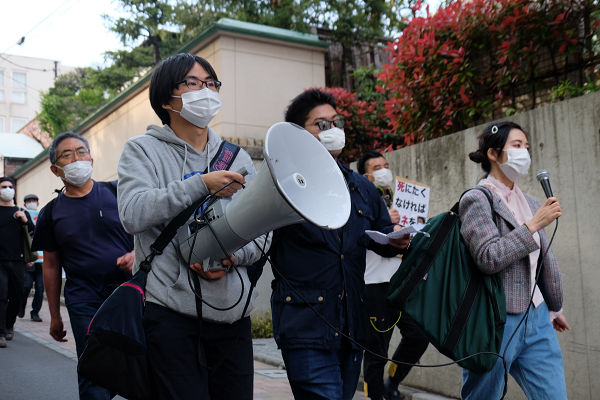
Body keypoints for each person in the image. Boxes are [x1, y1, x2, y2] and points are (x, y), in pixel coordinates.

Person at [117, 53, 270, 400]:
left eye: (212, 83)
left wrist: (233, 258)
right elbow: (132, 213)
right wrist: (200, 184)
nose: (207, 91)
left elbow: (264, 227)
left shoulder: (237, 157)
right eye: (193, 83)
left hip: (233, 315)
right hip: (169, 313)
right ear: (166, 99)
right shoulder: (141, 150)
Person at [269, 89, 410, 400]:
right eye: (321, 124)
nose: (332, 130)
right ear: (298, 134)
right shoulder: (282, 184)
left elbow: (381, 235)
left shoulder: (362, 188)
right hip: (305, 325)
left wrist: (397, 239)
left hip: (351, 327)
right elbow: (257, 241)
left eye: (336, 122)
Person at [460, 121, 569, 399]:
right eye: (517, 146)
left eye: (527, 147)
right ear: (493, 154)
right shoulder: (477, 199)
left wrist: (553, 307)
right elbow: (488, 257)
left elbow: (538, 261)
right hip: (495, 320)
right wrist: (532, 226)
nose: (525, 153)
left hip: (538, 317)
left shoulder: (531, 202)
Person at [31, 132, 134, 399]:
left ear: (91, 159)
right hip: (83, 299)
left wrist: (136, 253)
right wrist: (55, 315)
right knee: (93, 368)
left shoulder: (119, 192)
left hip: (130, 295)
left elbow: (150, 233)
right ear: (55, 169)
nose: (77, 159)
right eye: (67, 155)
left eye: (81, 151)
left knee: (136, 365)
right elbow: (51, 266)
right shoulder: (51, 213)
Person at [357, 151, 429, 400]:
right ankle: (375, 395)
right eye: (377, 167)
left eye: (386, 165)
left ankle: (393, 382)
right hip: (374, 283)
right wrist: (384, 221)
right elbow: (357, 233)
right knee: (377, 348)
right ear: (365, 176)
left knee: (419, 335)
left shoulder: (396, 200)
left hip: (401, 281)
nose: (384, 170)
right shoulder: (361, 202)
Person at [0, 177, 34, 348]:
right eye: (3, 187)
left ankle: (9, 325)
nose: (7, 189)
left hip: (18, 261)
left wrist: (25, 221)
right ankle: (1, 333)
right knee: (1, 296)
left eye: (10, 187)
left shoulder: (21, 211)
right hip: (0, 262)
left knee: (16, 296)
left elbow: (34, 233)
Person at [19, 193, 44, 322]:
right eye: (29, 201)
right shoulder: (22, 216)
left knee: (40, 288)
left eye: (34, 200)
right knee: (26, 286)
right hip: (29, 259)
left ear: (38, 203)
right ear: (25, 204)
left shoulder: (43, 215)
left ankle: (35, 312)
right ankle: (21, 306)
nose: (32, 203)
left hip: (43, 260)